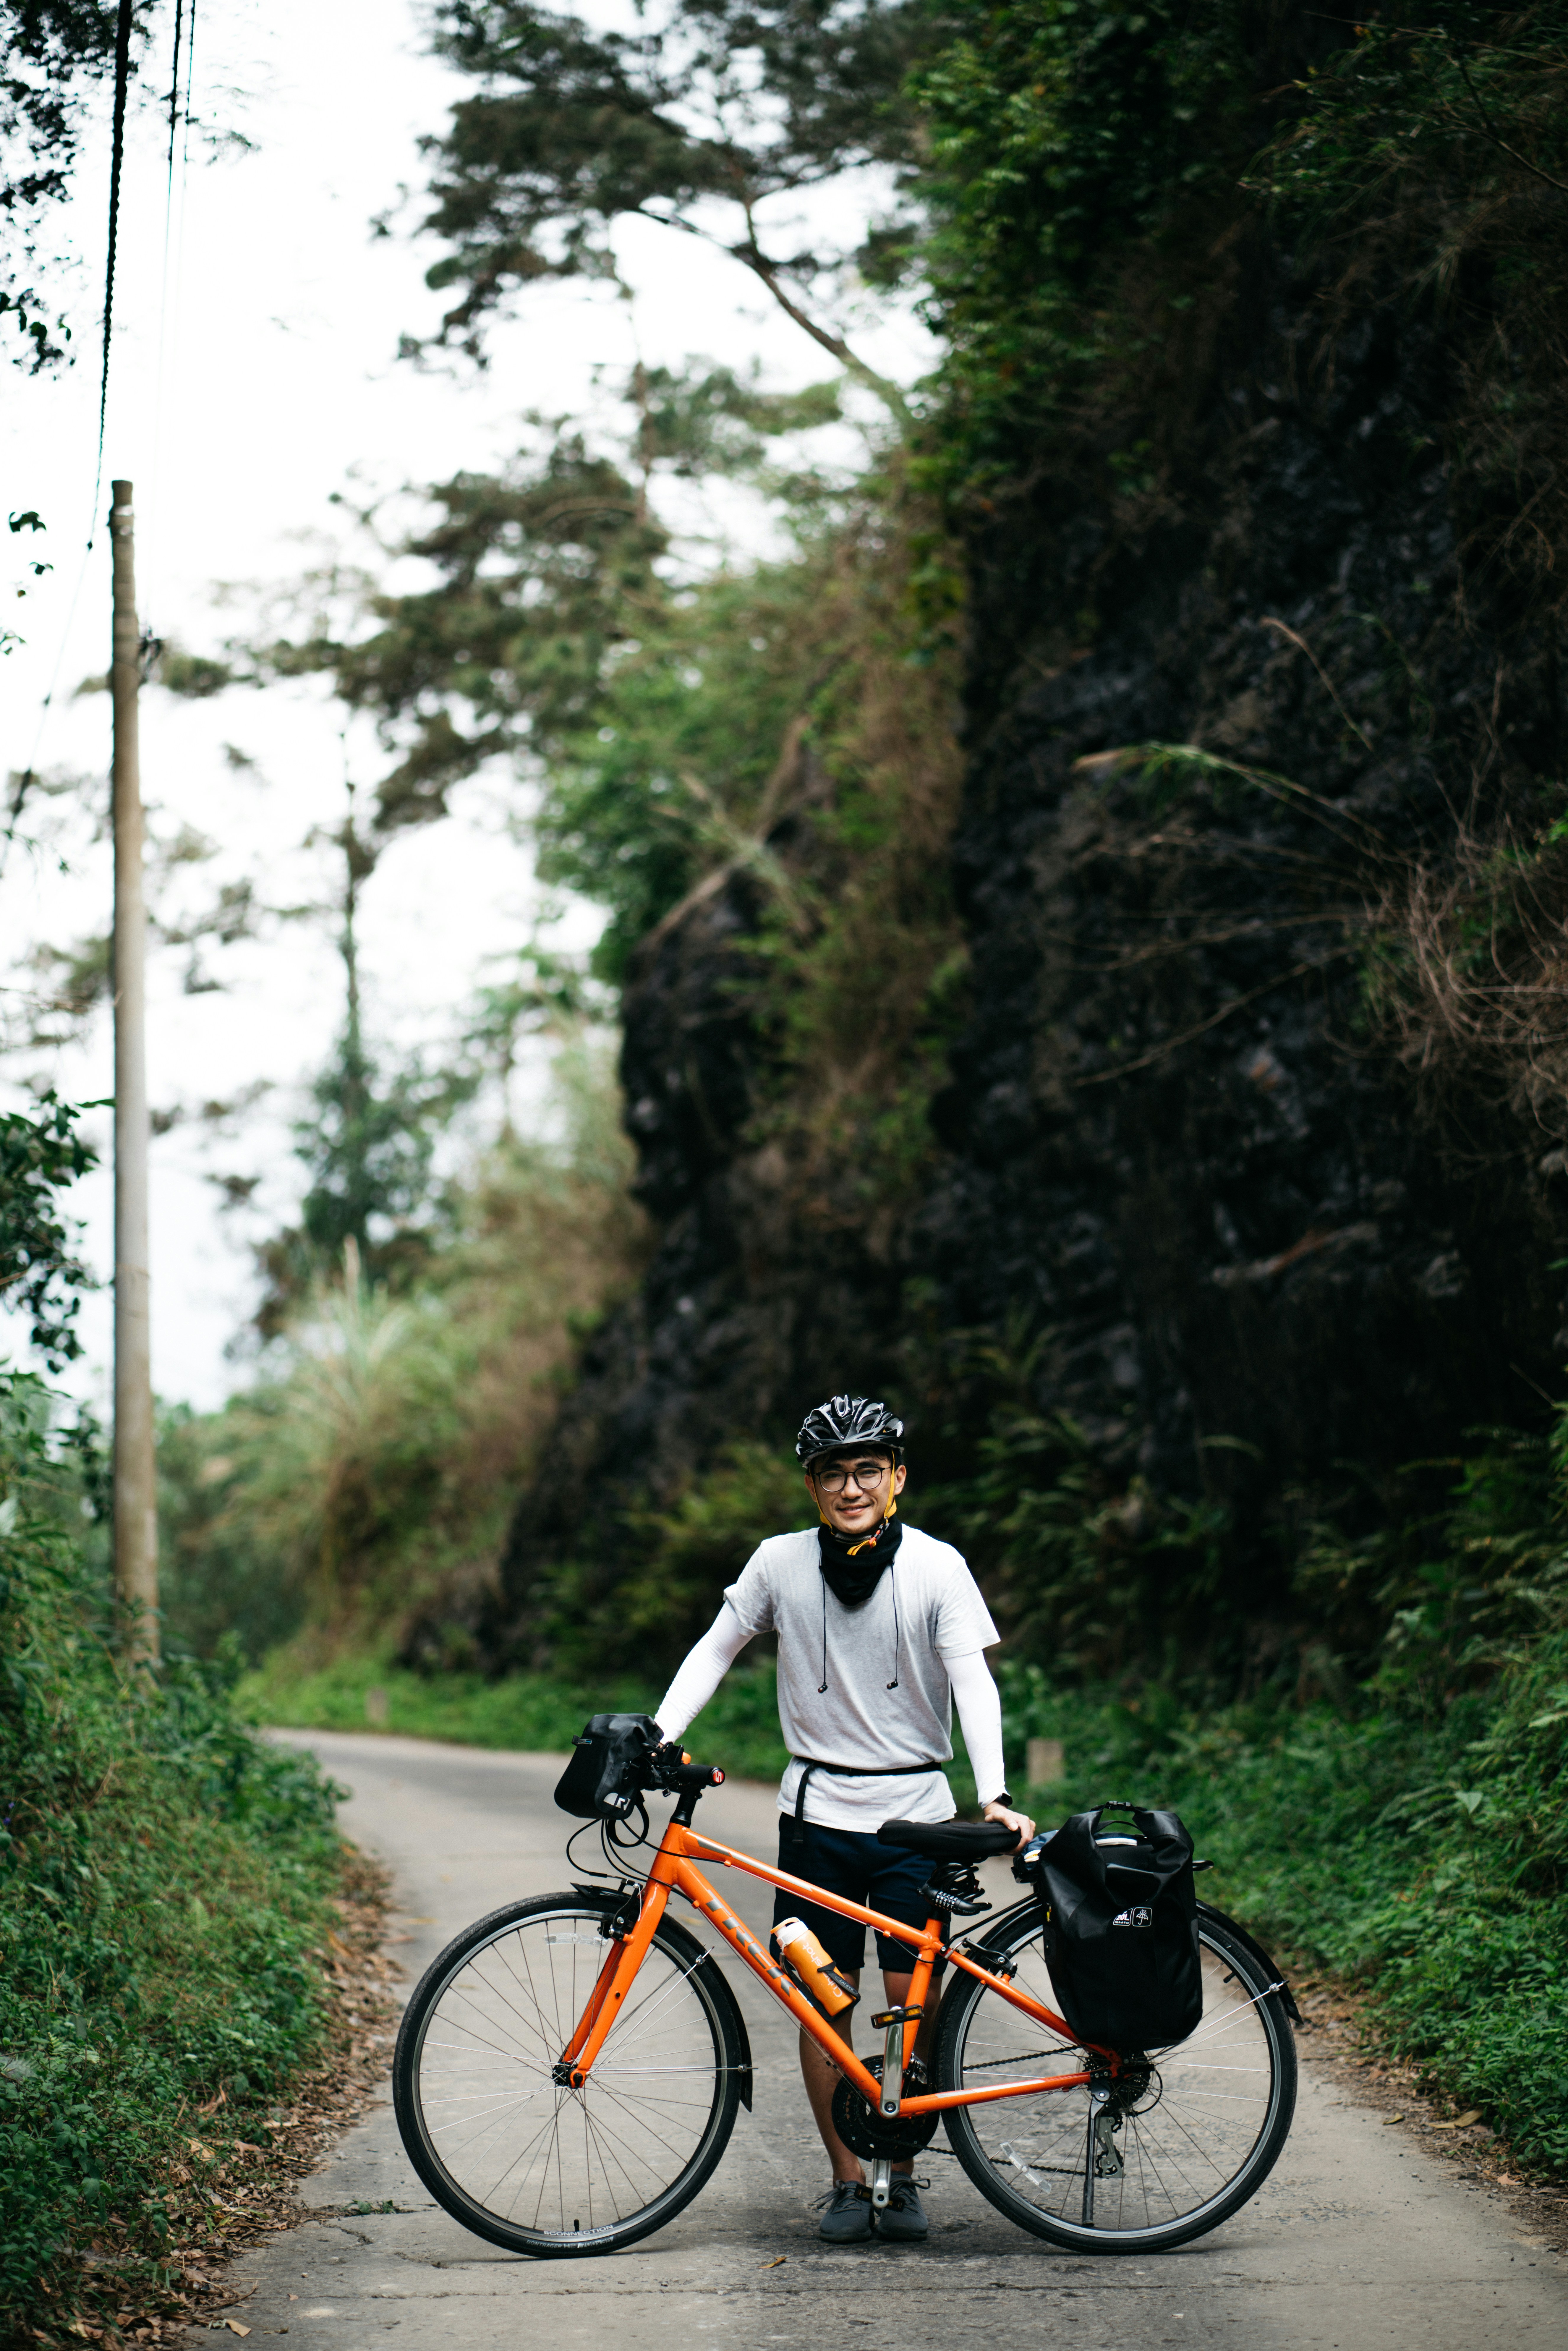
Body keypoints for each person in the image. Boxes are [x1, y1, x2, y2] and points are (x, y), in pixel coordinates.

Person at [652, 1394, 1035, 2245]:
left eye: (868, 1469)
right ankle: (847, 2182)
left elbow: (973, 1680)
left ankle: (901, 2173)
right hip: (815, 1817)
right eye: (833, 1471)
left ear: (897, 1478)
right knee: (823, 2006)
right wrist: (660, 1732)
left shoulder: (937, 1566)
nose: (851, 1486)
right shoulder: (778, 1564)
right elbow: (717, 1645)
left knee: (911, 2001)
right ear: (812, 1485)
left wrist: (996, 1792)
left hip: (915, 1817)